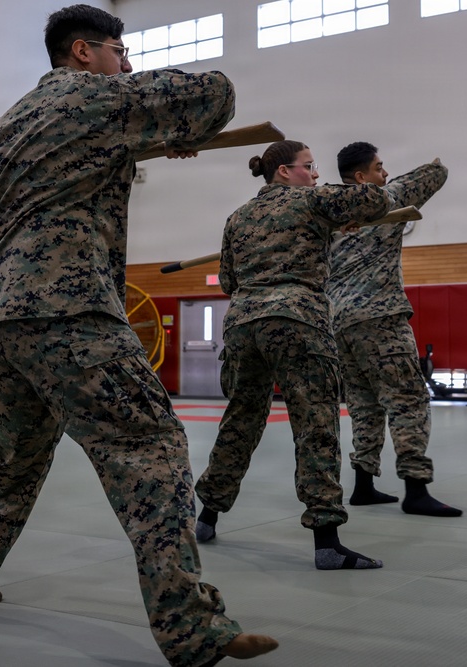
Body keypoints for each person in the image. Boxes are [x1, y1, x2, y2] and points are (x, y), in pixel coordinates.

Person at [0, 5, 276, 666]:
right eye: (120, 51)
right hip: (68, 306)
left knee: (14, 463)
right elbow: (214, 94)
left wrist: (145, 140)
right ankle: (190, 627)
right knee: (151, 447)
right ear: (83, 52)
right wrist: (164, 124)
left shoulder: (0, 131)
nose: (127, 63)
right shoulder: (94, 97)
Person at [194, 140, 392, 571]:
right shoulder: (312, 200)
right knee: (315, 422)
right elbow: (377, 197)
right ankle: (327, 542)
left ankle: (207, 516)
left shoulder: (239, 216)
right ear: (284, 171)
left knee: (241, 418)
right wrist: (342, 213)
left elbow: (227, 279)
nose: (316, 174)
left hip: (244, 323)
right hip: (297, 319)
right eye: (309, 166)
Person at [327, 141, 462, 518]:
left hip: (339, 324)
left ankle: (363, 485)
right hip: (380, 318)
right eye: (379, 167)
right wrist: (400, 181)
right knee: (408, 399)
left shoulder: (326, 215)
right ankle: (416, 489)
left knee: (363, 404)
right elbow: (435, 175)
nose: (384, 173)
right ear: (361, 177)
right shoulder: (381, 201)